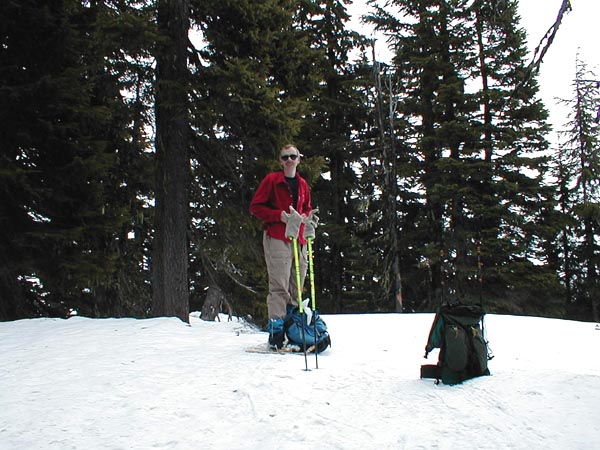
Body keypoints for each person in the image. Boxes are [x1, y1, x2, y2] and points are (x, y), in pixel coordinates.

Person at [249, 144, 312, 349]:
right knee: (279, 285)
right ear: (280, 161)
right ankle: (276, 331)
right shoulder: (272, 181)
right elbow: (256, 207)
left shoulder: (302, 184)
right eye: (285, 157)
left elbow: (307, 208)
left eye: (293, 156)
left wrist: (308, 220)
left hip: (299, 239)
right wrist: (279, 216)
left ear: (298, 159)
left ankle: (293, 329)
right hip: (277, 236)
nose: (289, 160)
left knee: (297, 286)